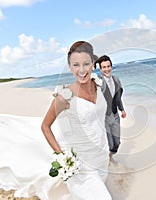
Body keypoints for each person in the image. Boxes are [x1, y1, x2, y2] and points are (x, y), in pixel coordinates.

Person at [41, 41, 111, 199]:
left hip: (102, 157)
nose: (81, 70)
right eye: (76, 65)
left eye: (86, 64)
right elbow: (45, 126)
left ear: (93, 64)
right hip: (81, 165)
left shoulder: (100, 86)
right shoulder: (64, 96)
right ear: (70, 66)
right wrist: (63, 157)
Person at [96, 55, 126, 163]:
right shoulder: (98, 82)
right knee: (109, 142)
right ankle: (108, 158)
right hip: (104, 118)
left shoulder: (116, 79)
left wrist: (122, 109)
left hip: (115, 115)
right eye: (104, 67)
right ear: (100, 69)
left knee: (117, 142)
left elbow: (118, 97)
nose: (107, 69)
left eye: (108, 66)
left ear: (111, 67)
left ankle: (111, 154)